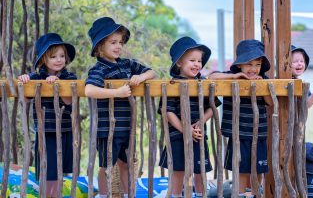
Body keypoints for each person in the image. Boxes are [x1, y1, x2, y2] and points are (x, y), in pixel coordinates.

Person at [84, 17, 156, 198]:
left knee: (126, 163)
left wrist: (141, 77)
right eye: (113, 42)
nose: (118, 46)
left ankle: (126, 194)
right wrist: (117, 92)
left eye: (120, 42)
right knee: (106, 165)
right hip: (107, 128)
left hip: (126, 128)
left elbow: (152, 72)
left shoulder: (127, 64)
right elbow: (89, 90)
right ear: (100, 46)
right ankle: (102, 194)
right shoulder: (99, 69)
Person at [158, 36, 221, 198]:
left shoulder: (203, 83)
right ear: (179, 63)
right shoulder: (172, 84)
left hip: (198, 135)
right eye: (192, 60)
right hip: (177, 136)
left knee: (200, 171)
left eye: (199, 61)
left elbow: (212, 107)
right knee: (178, 171)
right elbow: (168, 112)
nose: (197, 64)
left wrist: (200, 122)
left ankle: (201, 195)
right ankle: (176, 195)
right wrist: (186, 130)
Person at [209, 39, 272, 198]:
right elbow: (211, 76)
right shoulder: (232, 75)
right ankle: (240, 194)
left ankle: (256, 194)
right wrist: (236, 77)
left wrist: (262, 87)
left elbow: (270, 102)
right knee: (241, 169)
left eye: (257, 64)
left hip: (259, 134)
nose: (254, 69)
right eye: (249, 64)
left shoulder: (264, 79)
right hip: (239, 134)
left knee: (258, 169)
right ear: (239, 65)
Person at [18, 33, 76, 198]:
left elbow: (68, 100)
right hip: (45, 131)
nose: (59, 60)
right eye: (53, 56)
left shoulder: (69, 77)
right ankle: (47, 194)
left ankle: (55, 194)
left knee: (58, 169)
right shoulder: (37, 76)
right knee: (46, 167)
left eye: (62, 56)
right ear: (44, 59)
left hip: (63, 130)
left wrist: (57, 85)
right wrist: (25, 79)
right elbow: (26, 96)